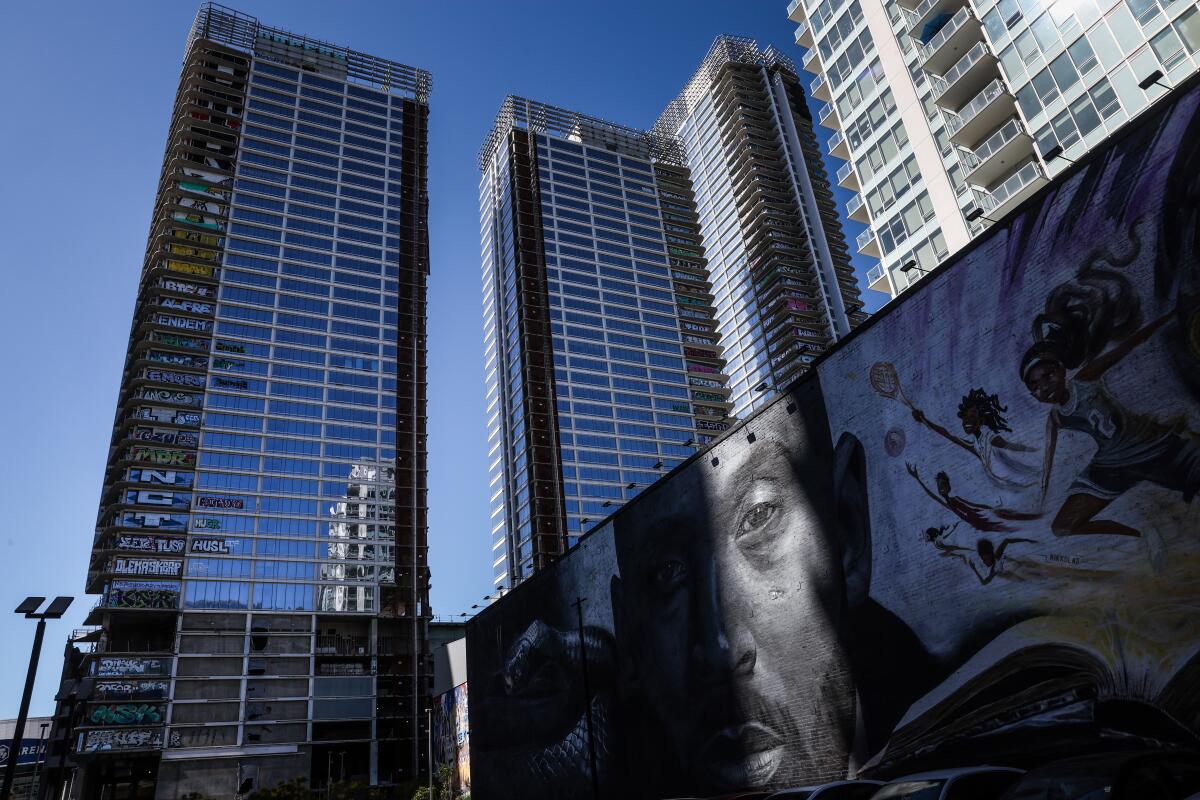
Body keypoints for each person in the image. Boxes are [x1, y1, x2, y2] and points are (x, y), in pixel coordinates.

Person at [610, 382, 939, 795]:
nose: (723, 648)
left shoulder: (967, 725)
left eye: (759, 516)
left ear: (846, 530)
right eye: (667, 571)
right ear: (627, 634)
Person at [1020, 311, 1200, 539]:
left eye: (1048, 375)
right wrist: (1040, 500)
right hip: (1111, 465)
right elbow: (1047, 463)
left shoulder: (1084, 379)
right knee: (1062, 527)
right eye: (1034, 386)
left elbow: (1130, 344)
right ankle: (1139, 534)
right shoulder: (1055, 418)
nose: (1043, 387)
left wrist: (1172, 315)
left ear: (1061, 370)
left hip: (1148, 447)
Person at [911, 389, 1041, 490]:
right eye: (964, 417)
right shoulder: (977, 445)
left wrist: (1035, 450)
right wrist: (925, 420)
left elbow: (1011, 446)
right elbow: (949, 436)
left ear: (981, 420)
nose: (967, 420)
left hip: (1024, 484)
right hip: (1010, 486)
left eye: (972, 416)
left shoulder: (990, 438)